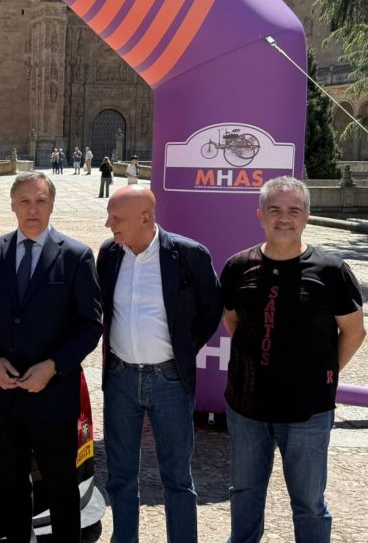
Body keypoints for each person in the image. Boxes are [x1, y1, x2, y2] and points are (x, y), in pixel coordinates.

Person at [221, 176, 367, 543]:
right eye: (274, 210)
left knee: (309, 502)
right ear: (260, 215)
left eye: (293, 211)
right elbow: (231, 320)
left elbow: (354, 332)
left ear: (307, 217)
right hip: (247, 407)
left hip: (308, 410)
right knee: (244, 492)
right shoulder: (238, 266)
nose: (284, 218)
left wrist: (324, 372)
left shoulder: (331, 271)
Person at [0, 171, 103, 543]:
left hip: (53, 396)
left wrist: (53, 367)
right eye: (24, 201)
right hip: (4, 395)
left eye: (41, 201)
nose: (32, 209)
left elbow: (90, 325)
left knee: (61, 486)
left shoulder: (76, 256)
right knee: (10, 485)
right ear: (12, 205)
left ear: (52, 204)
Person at [98, 185, 222, 543]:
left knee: (177, 478)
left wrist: (182, 349)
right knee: (120, 476)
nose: (109, 224)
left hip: (169, 380)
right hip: (120, 379)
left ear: (145, 218)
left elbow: (211, 309)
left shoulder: (188, 254)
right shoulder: (109, 254)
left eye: (116, 218)